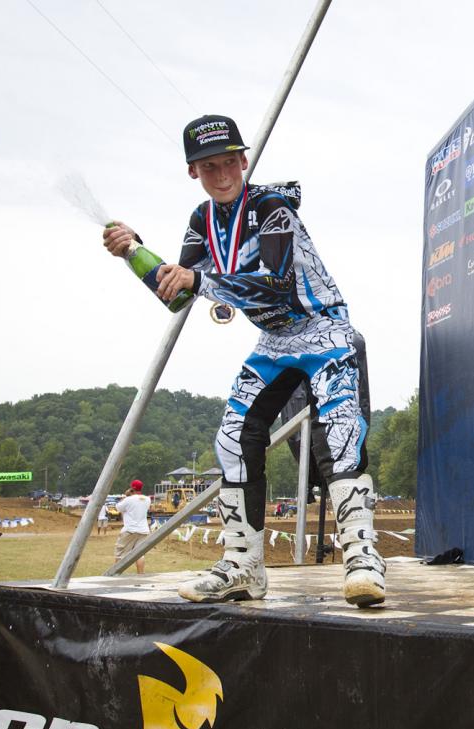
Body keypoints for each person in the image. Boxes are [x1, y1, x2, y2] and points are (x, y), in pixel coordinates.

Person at [102, 114, 382, 607]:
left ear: (244, 161)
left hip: (324, 329)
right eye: (209, 167)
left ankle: (361, 557)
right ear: (194, 172)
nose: (222, 174)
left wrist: (198, 281)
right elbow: (177, 292)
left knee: (337, 433)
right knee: (232, 438)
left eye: (229, 162)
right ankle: (244, 566)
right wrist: (135, 253)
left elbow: (277, 283)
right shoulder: (201, 220)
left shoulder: (272, 206)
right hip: (274, 341)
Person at [114, 480, 152, 574]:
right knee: (139, 555)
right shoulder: (147, 499)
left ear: (132, 488)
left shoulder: (128, 499)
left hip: (130, 530)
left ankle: (116, 575)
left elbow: (118, 508)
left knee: (120, 554)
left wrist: (125, 497)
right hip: (143, 530)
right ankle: (140, 575)